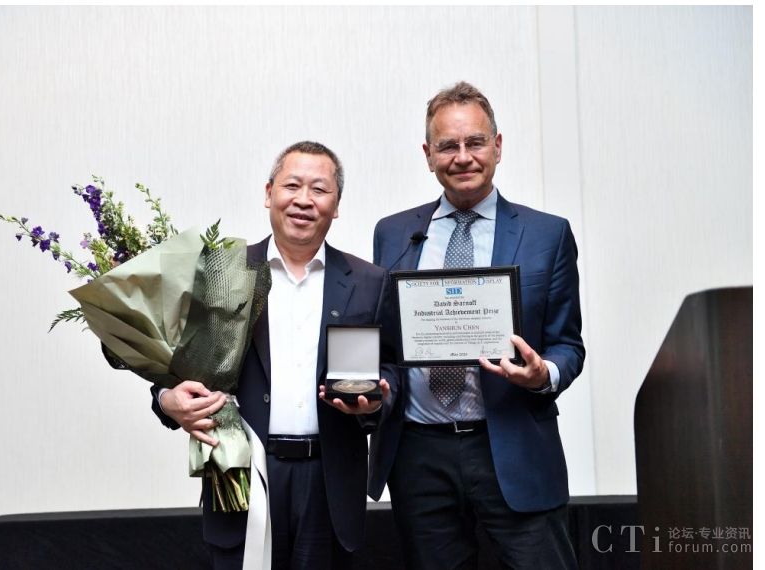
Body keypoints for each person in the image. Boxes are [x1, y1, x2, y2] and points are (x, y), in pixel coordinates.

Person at [369, 82, 585, 569]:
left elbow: (568, 345)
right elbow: (387, 347)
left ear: (498, 146)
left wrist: (543, 374)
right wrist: (376, 386)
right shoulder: (393, 233)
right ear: (428, 155)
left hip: (512, 446)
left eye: (475, 142)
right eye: (448, 145)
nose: (463, 157)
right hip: (419, 455)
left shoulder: (547, 234)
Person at [149, 141, 393, 570]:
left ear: (336, 205)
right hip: (241, 473)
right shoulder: (221, 272)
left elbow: (392, 368)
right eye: (292, 185)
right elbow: (174, 366)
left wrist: (376, 402)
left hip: (329, 480)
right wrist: (168, 400)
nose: (304, 200)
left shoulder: (369, 281)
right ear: (268, 193)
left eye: (320, 189)